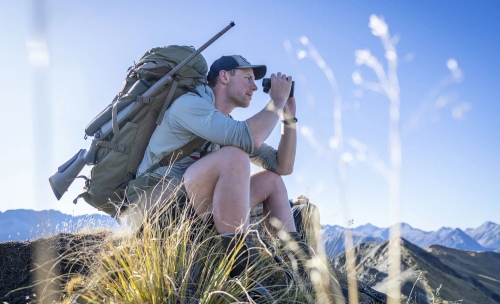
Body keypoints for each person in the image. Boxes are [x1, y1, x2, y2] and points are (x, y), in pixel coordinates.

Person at [132, 54, 302, 277]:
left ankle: (297, 266)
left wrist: (288, 119)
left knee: (271, 180)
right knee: (234, 157)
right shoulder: (190, 105)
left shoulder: (226, 126)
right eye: (248, 78)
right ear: (224, 76)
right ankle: (239, 267)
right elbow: (248, 136)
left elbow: (282, 166)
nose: (254, 87)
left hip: (191, 214)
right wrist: (277, 101)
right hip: (155, 217)